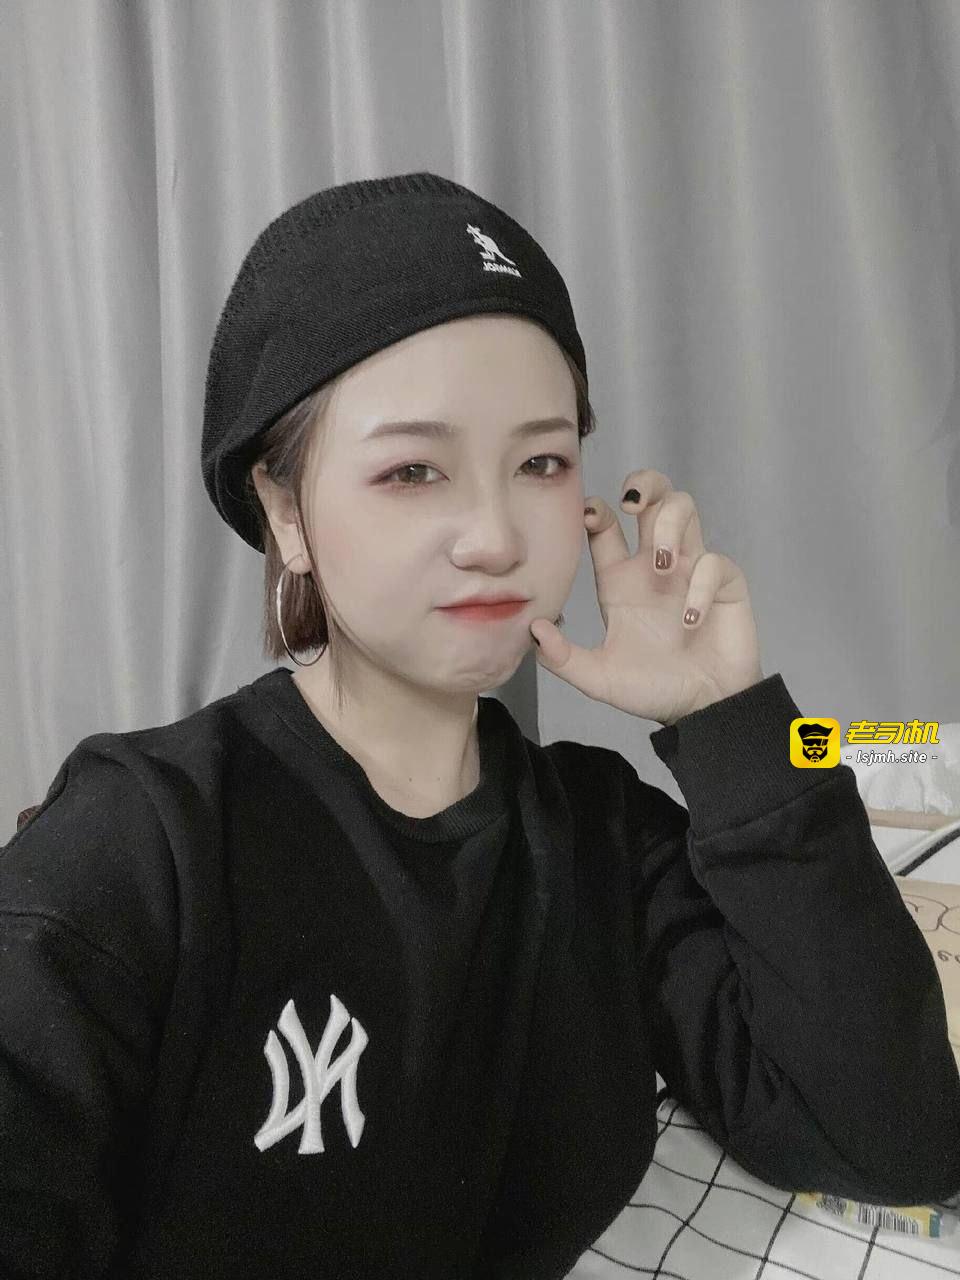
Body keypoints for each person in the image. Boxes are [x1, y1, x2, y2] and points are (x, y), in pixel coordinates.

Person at [2, 171, 959, 1279]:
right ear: (285, 510)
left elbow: (892, 1135)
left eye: (541, 462)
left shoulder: (606, 841)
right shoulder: (135, 849)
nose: (497, 535)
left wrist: (727, 715)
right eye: (414, 470)